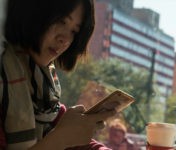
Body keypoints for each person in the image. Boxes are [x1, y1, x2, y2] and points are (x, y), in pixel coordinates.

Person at [0, 0, 116, 149]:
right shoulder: (5, 79)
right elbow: (64, 135)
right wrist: (61, 138)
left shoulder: (45, 91)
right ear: (33, 13)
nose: (65, 39)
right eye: (61, 21)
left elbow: (76, 139)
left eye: (74, 31)